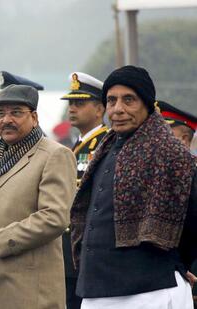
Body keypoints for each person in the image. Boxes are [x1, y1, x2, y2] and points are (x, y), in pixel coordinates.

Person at [70, 65, 196, 309]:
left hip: (151, 290)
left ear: (147, 104)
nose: (118, 109)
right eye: (111, 100)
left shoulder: (170, 153)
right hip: (96, 289)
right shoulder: (104, 149)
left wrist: (177, 264)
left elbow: (193, 219)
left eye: (129, 100)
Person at [0, 84, 77, 309]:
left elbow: (54, 218)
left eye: (16, 113)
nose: (6, 120)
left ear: (34, 117)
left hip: (28, 295)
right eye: (0, 114)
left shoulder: (55, 155)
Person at [59, 71, 107, 309]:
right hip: (71, 245)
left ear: (99, 109)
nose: (72, 109)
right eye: (70, 103)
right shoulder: (77, 144)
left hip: (89, 243)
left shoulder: (104, 143)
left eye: (79, 103)